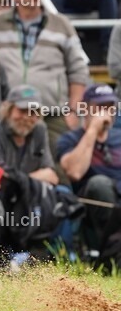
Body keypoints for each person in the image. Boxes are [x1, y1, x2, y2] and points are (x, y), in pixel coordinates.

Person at [57, 84, 121, 254]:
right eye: (100, 107)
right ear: (85, 109)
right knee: (100, 184)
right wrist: (93, 130)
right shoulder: (70, 139)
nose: (106, 112)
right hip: (92, 207)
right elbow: (74, 172)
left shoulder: (118, 137)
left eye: (110, 107)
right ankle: (110, 250)